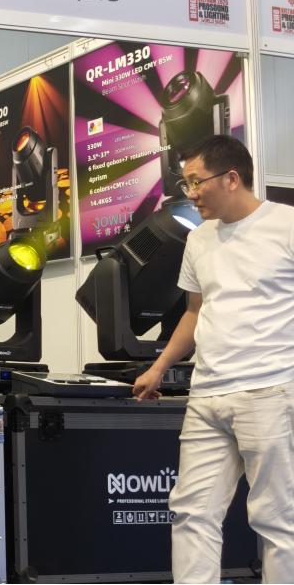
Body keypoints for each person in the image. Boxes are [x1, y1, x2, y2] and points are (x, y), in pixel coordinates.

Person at [132, 135, 294, 583]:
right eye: (186, 184)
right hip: (206, 396)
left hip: (269, 391)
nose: (191, 193)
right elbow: (195, 311)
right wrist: (159, 367)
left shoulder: (286, 225)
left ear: (232, 178)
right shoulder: (199, 239)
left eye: (195, 181)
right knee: (191, 512)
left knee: (277, 519)